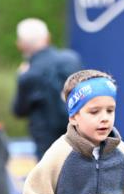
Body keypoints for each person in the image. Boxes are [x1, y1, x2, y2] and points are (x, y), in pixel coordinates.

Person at [12, 18, 81, 159]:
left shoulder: (28, 74)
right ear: (48, 37)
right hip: (79, 138)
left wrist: (21, 77)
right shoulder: (72, 60)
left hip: (47, 147)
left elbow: (19, 110)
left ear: (21, 45)